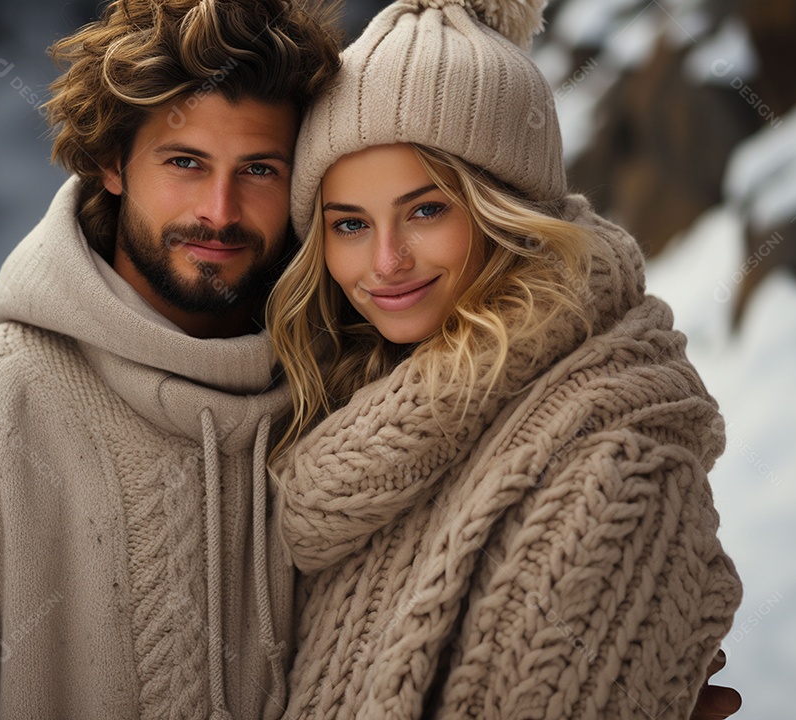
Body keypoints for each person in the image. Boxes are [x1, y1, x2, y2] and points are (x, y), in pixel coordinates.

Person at [0, 0, 340, 717]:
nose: (220, 209)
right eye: (185, 162)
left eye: (260, 169)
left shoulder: (347, 409)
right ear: (112, 162)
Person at [265, 0, 744, 717]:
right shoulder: (346, 412)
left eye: (427, 210)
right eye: (350, 225)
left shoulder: (620, 466)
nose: (386, 261)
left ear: (507, 209)